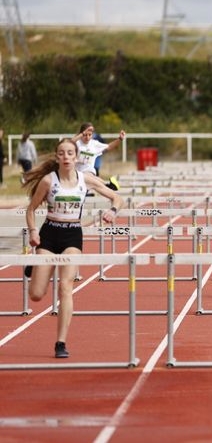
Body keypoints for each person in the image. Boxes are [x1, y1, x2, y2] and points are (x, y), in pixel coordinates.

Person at [23, 138, 123, 358]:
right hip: (49, 234)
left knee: (66, 286)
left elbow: (116, 196)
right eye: (62, 153)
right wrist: (33, 232)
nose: (66, 157)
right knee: (37, 295)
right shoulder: (49, 182)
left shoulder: (86, 179)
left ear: (76, 157)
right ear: (57, 157)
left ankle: (60, 342)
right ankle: (34, 264)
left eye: (70, 153)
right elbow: (30, 210)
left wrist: (112, 211)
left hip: (71, 236)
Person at [73, 122, 124, 190]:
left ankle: (107, 186)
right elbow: (68, 143)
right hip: (76, 174)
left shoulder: (94, 144)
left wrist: (120, 139)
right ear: (81, 133)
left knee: (87, 176)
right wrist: (81, 134)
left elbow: (109, 146)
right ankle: (108, 185)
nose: (87, 137)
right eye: (85, 135)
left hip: (89, 173)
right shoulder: (77, 143)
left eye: (90, 135)